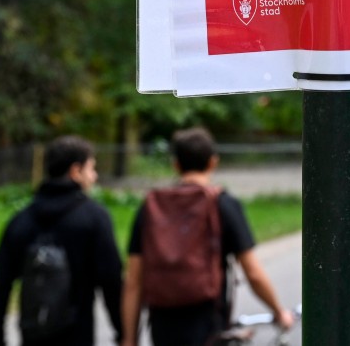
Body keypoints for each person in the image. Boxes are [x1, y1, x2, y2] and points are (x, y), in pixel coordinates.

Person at [122, 127, 294, 346]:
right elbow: (253, 273)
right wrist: (279, 312)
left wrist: (129, 339)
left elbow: (133, 281)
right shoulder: (223, 204)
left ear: (176, 164)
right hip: (208, 326)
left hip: (162, 327)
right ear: (213, 162)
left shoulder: (150, 207)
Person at [0, 135, 123, 346]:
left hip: (34, 335)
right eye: (91, 169)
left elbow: (0, 286)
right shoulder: (94, 218)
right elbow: (111, 282)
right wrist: (124, 333)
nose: (94, 176)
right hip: (77, 335)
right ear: (75, 171)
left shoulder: (20, 221)